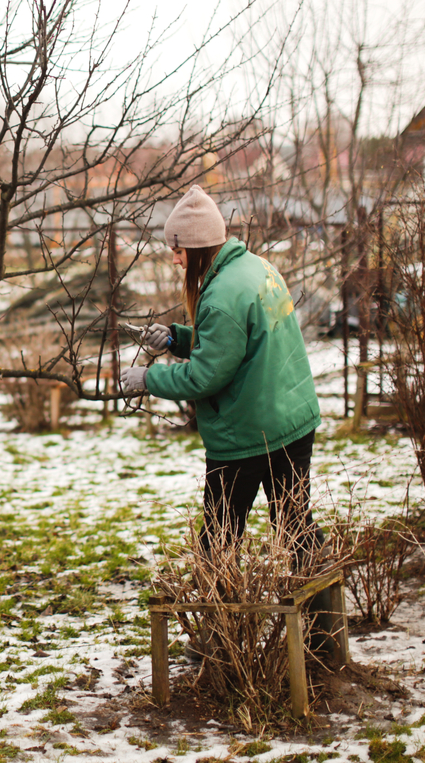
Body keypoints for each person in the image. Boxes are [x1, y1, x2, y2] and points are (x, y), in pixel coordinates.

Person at [119, 185, 324, 567]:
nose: (176, 262)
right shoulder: (257, 267)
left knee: (218, 540)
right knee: (297, 528)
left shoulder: (221, 295)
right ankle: (322, 618)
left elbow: (204, 378)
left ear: (196, 248)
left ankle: (217, 621)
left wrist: (148, 380)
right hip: (291, 419)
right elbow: (237, 345)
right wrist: (176, 339)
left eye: (178, 252)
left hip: (247, 432)